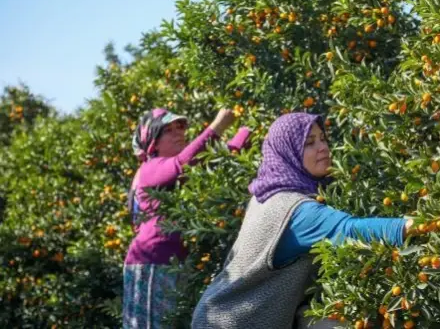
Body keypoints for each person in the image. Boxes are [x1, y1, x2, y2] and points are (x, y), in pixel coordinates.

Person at [192, 112, 414, 329]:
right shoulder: (296, 211)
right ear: (288, 152)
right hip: (233, 321)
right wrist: (415, 225)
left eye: (323, 139)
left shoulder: (266, 193)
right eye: (309, 143)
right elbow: (349, 229)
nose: (323, 147)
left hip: (216, 312)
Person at [123, 107, 250, 328]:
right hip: (153, 262)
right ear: (153, 141)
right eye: (168, 130)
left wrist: (248, 131)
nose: (178, 133)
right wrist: (216, 127)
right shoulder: (151, 168)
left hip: (176, 264)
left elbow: (218, 160)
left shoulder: (178, 171)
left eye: (180, 127)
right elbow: (184, 161)